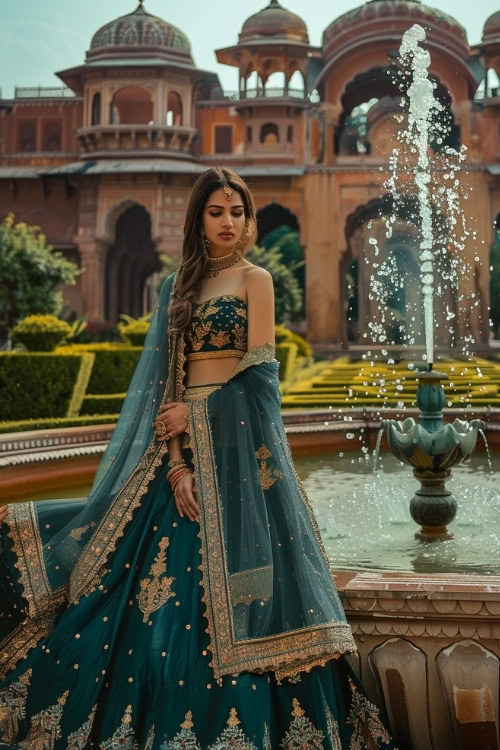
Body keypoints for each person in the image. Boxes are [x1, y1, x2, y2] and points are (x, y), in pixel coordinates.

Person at [0, 168, 396, 749]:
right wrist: (179, 461)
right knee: (115, 591)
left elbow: (261, 379)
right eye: (216, 211)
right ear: (198, 219)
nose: (228, 222)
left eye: (237, 211)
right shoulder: (178, 288)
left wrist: (202, 419)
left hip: (238, 458)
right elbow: (169, 384)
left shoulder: (255, 280)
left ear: (249, 218)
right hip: (182, 460)